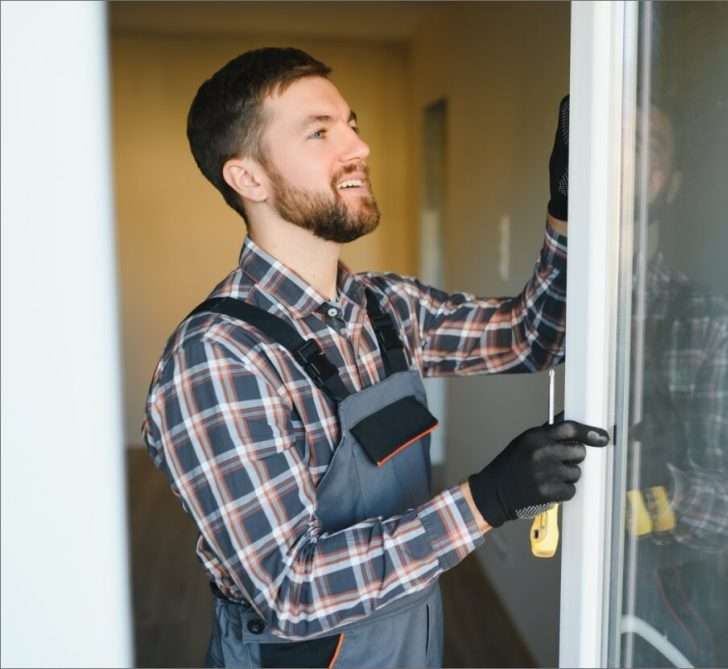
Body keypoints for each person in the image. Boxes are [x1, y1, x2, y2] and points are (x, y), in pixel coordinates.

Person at [142, 47, 608, 669]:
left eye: (352, 125)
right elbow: (291, 591)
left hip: (408, 636)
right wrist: (484, 500)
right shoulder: (219, 359)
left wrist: (567, 214)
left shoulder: (386, 307)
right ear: (247, 178)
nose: (357, 148)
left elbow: (534, 338)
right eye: (319, 132)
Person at [625, 105, 728, 667]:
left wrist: (661, 494)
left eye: (647, 147)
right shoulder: (554, 314)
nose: (624, 158)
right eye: (614, 141)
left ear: (673, 184)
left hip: (673, 601)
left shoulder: (717, 323)